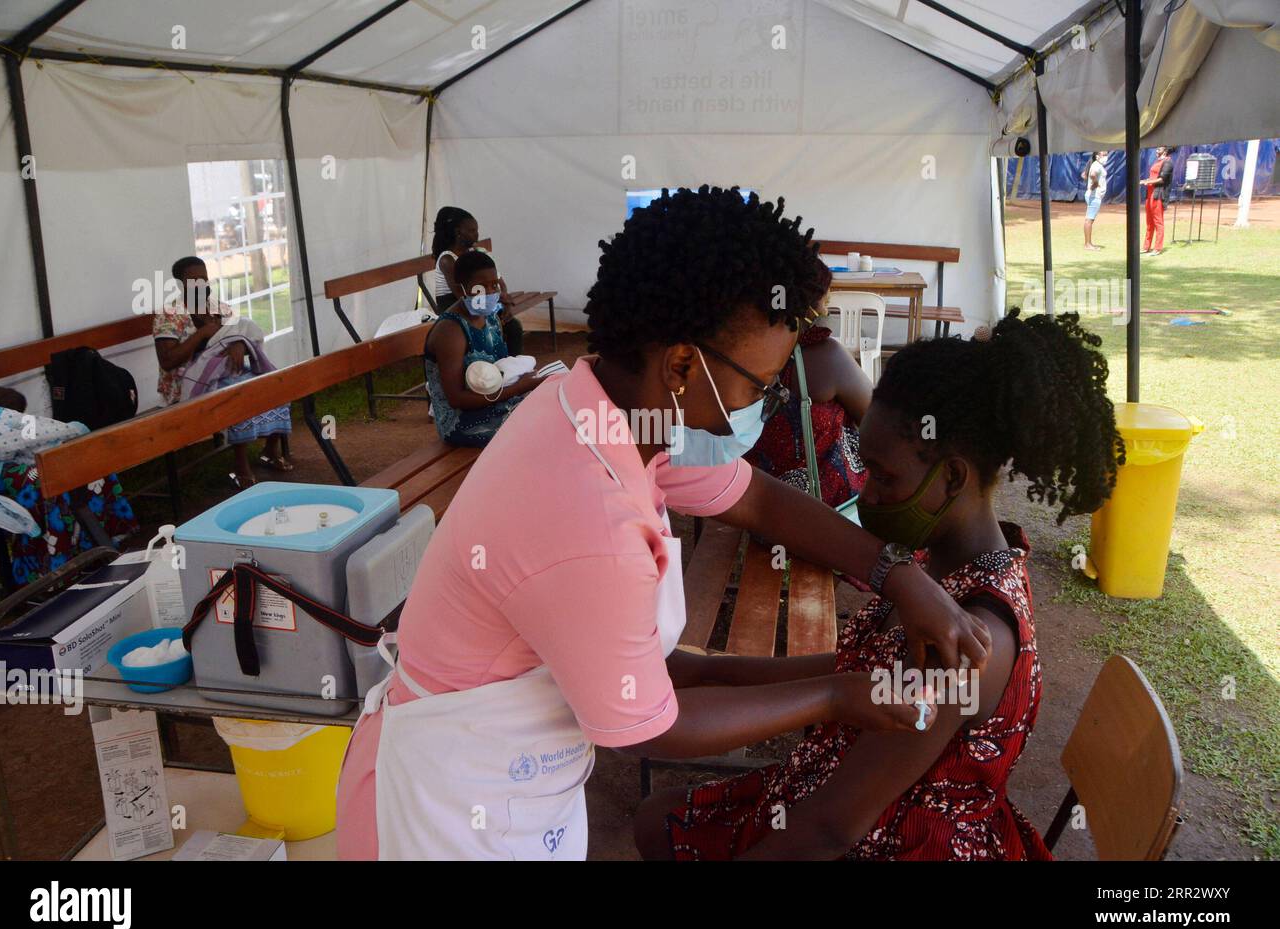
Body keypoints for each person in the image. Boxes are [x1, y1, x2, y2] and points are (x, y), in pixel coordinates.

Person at [335, 186, 992, 861]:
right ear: (682, 364)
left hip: (508, 775)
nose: (763, 401)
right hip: (446, 810)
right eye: (759, 385)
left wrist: (897, 572)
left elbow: (757, 499)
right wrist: (832, 693)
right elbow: (648, 725)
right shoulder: (590, 514)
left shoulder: (603, 410)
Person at [634, 309, 1122, 861]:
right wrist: (711, 669)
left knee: (666, 829)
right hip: (834, 798)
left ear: (954, 477)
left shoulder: (967, 640)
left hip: (892, 838)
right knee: (658, 820)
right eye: (863, 469)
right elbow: (854, 670)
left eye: (884, 477)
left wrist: (719, 678)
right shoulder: (935, 575)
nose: (864, 497)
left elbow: (831, 829)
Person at [155, 257, 292, 488]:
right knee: (237, 395)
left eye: (204, 278)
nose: (202, 284)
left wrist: (238, 345)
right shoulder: (169, 315)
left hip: (225, 372)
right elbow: (168, 361)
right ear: (181, 283)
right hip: (186, 383)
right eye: (194, 280)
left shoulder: (219, 308)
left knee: (274, 385)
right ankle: (240, 465)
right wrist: (202, 333)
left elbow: (242, 333)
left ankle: (269, 449)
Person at [746, 261, 871, 510]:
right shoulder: (827, 357)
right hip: (831, 512)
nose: (827, 308)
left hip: (759, 508)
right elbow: (875, 420)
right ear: (809, 305)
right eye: (825, 300)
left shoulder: (741, 356)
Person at [0, 387, 138, 584]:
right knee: (46, 478)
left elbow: (21, 426)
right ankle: (55, 564)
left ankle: (92, 544)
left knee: (76, 460)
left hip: (6, 465)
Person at [424, 249, 544, 447]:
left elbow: (500, 373)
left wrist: (523, 384)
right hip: (462, 422)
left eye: (494, 285)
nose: (490, 293)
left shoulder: (489, 317)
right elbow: (456, 399)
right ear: (461, 289)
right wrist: (521, 386)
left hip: (493, 404)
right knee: (535, 431)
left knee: (551, 408)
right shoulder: (451, 331)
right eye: (481, 287)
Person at [430, 206, 524, 355]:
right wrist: (498, 302)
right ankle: (494, 369)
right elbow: (462, 295)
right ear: (458, 232)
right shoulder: (448, 259)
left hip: (481, 303)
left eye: (477, 230)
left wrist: (505, 305)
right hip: (458, 308)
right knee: (501, 329)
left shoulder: (478, 253)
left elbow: (500, 283)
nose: (477, 235)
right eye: (472, 231)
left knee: (513, 326)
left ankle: (514, 367)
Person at [1140, 146, 1174, 256]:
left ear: (1165, 151)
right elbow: (1153, 176)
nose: (1157, 150)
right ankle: (1146, 247)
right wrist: (1145, 180)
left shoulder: (1168, 162)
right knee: (1149, 222)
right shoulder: (1157, 161)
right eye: (1157, 149)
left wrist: (1148, 182)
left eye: (1159, 149)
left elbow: (1162, 179)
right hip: (1149, 194)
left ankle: (1157, 248)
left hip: (1158, 195)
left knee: (1158, 222)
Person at [1082, 150, 1109, 250]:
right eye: (1104, 154)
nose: (1106, 156)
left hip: (1093, 195)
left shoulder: (1095, 164)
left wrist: (1092, 183)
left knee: (1089, 219)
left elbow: (1084, 175)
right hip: (1094, 196)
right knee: (1089, 220)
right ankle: (1087, 244)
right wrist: (1095, 183)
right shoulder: (1096, 165)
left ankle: (1088, 243)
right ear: (1097, 156)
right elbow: (1092, 174)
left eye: (1107, 154)